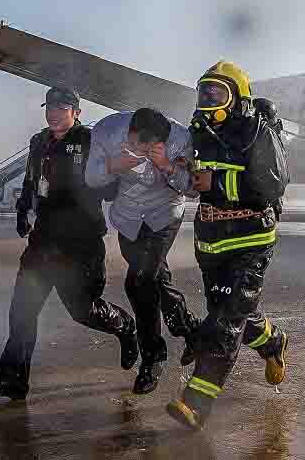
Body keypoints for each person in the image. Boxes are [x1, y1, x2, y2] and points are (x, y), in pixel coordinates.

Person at [0, 86, 138, 400]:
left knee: (83, 310)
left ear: (76, 112)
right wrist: (23, 210)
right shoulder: (39, 142)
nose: (53, 112)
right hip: (43, 240)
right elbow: (30, 179)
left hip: (80, 244)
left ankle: (125, 327)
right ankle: (13, 380)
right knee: (22, 312)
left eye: (61, 107)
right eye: (49, 107)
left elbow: (110, 186)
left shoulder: (91, 141)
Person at [166, 61, 291, 432]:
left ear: (237, 96)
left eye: (216, 92)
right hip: (212, 241)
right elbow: (193, 183)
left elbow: (271, 187)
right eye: (203, 91)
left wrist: (216, 183)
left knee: (225, 323)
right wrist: (180, 172)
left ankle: (196, 404)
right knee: (232, 313)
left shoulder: (256, 132)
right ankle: (274, 343)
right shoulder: (198, 131)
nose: (207, 100)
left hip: (251, 239)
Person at [85, 107, 200, 395]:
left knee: (138, 281)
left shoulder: (181, 139)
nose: (141, 151)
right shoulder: (107, 131)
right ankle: (189, 328)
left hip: (164, 216)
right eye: (136, 144)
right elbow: (92, 178)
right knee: (153, 279)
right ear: (129, 134)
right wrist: (116, 165)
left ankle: (153, 357)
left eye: (148, 148)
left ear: (163, 140)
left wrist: (167, 166)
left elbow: (193, 189)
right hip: (128, 218)